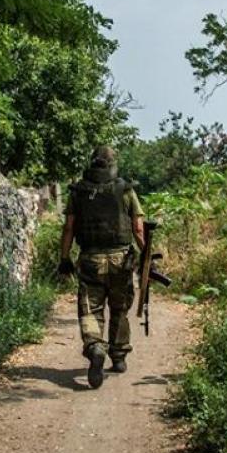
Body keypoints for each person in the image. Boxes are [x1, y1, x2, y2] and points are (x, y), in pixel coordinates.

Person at [59, 145, 145, 389]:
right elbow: (138, 229)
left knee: (90, 308)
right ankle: (118, 356)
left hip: (90, 260)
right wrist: (146, 252)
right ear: (112, 163)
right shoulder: (125, 190)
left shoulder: (78, 192)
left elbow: (68, 228)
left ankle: (96, 346)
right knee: (119, 308)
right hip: (121, 259)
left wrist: (64, 258)